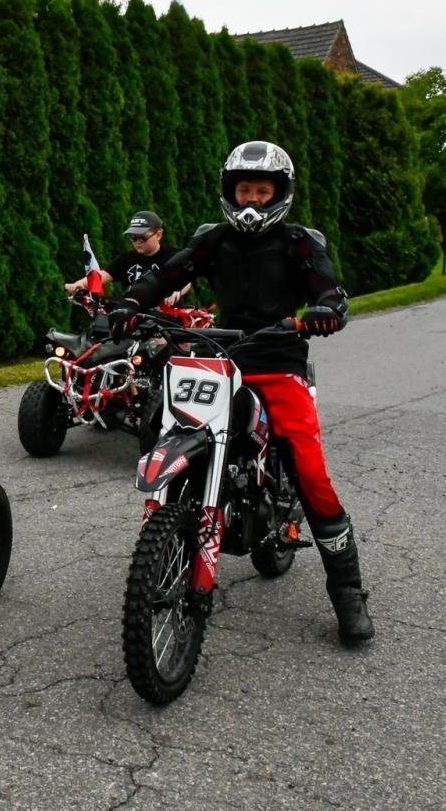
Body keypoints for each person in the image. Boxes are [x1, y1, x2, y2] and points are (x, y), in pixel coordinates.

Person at [108, 141, 374, 644]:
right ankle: (180, 527)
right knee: (162, 423)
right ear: (231, 192)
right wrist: (130, 302)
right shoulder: (216, 240)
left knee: (309, 469)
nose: (251, 199)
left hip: (279, 361)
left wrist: (327, 309)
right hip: (221, 356)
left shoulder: (300, 242)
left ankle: (348, 592)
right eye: (244, 189)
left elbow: (327, 288)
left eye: (262, 190)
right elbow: (171, 272)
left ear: (279, 193)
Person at [65, 209, 187, 305]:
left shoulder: (173, 255)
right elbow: (102, 275)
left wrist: (178, 290)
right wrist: (79, 284)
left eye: (142, 237)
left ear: (159, 234)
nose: (137, 242)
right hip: (132, 316)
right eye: (133, 237)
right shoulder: (127, 258)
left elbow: (187, 279)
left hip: (167, 320)